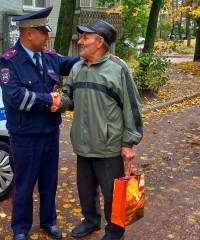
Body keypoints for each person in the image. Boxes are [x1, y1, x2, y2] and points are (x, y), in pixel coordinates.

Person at [0, 6, 80, 240]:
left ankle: (48, 222)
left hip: (50, 133)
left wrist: (98, 55)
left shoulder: (50, 57)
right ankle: (20, 229)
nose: (47, 37)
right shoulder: (9, 62)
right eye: (43, 32)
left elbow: (74, 63)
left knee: (49, 182)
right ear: (28, 33)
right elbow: (15, 98)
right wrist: (50, 99)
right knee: (23, 186)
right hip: (24, 136)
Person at [56, 20, 144, 240]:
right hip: (83, 144)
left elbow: (132, 107)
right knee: (85, 191)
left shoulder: (118, 69)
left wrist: (129, 143)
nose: (80, 41)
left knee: (112, 194)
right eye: (81, 37)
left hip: (109, 146)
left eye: (85, 37)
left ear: (100, 41)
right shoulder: (77, 68)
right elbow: (70, 99)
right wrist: (60, 102)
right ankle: (91, 221)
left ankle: (115, 230)